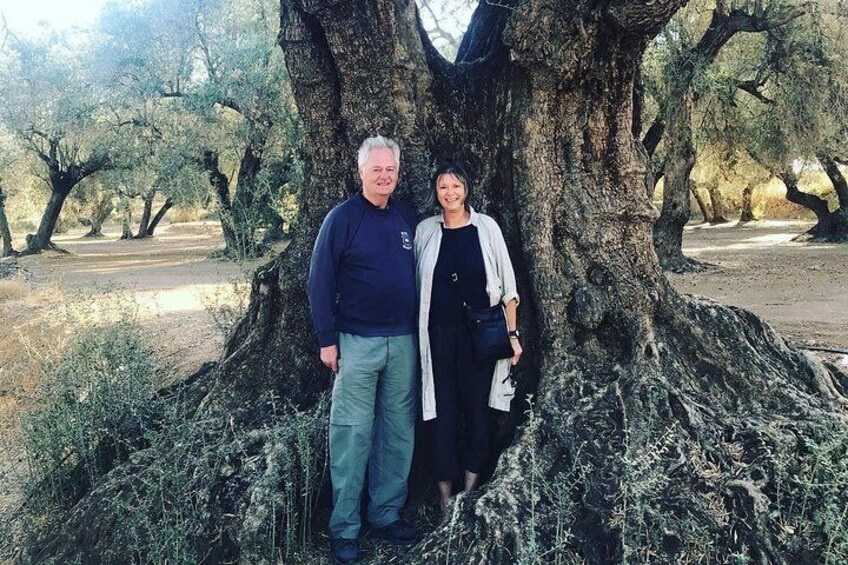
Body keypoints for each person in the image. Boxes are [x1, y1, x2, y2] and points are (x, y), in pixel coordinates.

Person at [308, 135, 419, 564]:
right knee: (352, 434)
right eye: (377, 169)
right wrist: (327, 340)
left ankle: (387, 514)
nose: (384, 176)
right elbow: (320, 282)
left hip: (404, 342)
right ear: (361, 172)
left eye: (390, 169)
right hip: (355, 343)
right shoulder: (342, 219)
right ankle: (345, 529)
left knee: (397, 432)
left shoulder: (407, 218)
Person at [414, 161, 522, 513]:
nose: (450, 193)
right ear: (436, 192)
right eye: (443, 187)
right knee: (440, 413)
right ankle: (444, 495)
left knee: (478, 412)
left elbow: (507, 287)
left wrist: (513, 334)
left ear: (467, 189)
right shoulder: (426, 231)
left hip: (481, 339)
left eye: (456, 186)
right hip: (438, 339)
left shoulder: (486, 228)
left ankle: (471, 487)